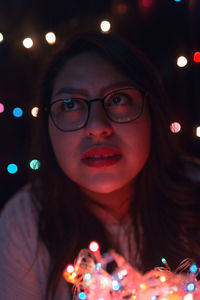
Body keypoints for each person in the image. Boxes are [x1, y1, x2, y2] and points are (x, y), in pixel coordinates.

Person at [0, 32, 199, 300]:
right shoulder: (25, 223)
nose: (97, 127)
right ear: (46, 126)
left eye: (118, 99)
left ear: (152, 112)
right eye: (70, 105)